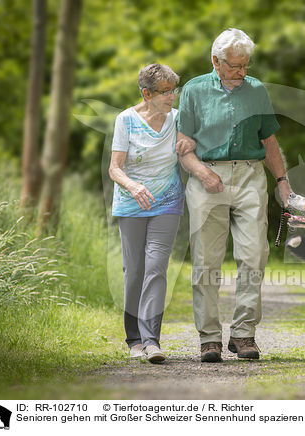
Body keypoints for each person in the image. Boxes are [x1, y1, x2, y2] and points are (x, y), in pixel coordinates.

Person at [177, 28, 293, 362]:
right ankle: (209, 337)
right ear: (216, 61)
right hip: (206, 176)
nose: (242, 72)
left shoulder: (256, 90)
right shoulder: (194, 91)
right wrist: (202, 173)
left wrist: (282, 181)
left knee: (254, 254)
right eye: (234, 66)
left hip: (249, 177)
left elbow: (268, 141)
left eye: (245, 65)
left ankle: (243, 335)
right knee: (205, 260)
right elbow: (183, 147)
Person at [109, 64, 195, 364]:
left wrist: (192, 144)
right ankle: (133, 338)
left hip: (168, 202)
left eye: (174, 90)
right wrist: (134, 187)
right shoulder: (126, 120)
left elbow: (191, 143)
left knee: (156, 267)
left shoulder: (178, 118)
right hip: (132, 204)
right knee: (134, 272)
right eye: (165, 91)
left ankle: (151, 341)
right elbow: (114, 168)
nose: (172, 96)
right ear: (146, 94)